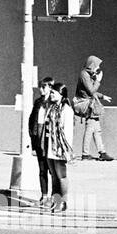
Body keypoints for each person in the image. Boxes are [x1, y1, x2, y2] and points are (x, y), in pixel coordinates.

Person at [40, 83, 75, 212]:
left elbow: (68, 133)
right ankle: (56, 201)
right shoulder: (51, 108)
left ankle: (64, 202)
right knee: (54, 176)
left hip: (60, 148)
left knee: (61, 176)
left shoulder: (67, 110)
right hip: (50, 146)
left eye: (54, 93)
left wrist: (65, 150)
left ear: (61, 94)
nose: (51, 94)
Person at [75, 55, 114, 161]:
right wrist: (98, 80)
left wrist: (103, 96)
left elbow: (92, 91)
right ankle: (86, 154)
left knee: (97, 129)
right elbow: (91, 91)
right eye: (96, 65)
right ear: (92, 65)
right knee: (90, 128)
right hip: (88, 105)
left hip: (91, 105)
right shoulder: (84, 75)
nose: (98, 67)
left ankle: (102, 152)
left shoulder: (88, 74)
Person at [28, 77, 55, 207]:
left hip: (50, 140)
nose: (41, 89)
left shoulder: (54, 102)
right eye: (40, 87)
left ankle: (54, 197)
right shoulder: (38, 102)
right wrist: (33, 142)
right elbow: (32, 121)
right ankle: (44, 196)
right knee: (42, 170)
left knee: (53, 170)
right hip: (39, 139)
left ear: (50, 87)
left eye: (44, 87)